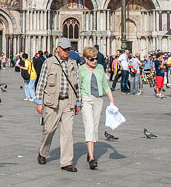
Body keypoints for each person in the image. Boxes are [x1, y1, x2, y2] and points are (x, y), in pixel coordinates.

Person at [35, 37, 82, 172]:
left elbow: (77, 84)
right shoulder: (49, 63)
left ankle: (66, 162)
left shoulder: (73, 63)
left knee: (68, 132)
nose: (67, 51)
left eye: (69, 49)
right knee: (49, 129)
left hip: (69, 102)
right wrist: (39, 101)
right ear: (58, 49)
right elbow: (41, 82)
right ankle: (43, 152)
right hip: (52, 102)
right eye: (65, 49)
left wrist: (78, 102)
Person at [77, 45, 114, 170]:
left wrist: (112, 100)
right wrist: (77, 102)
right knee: (90, 125)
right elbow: (78, 86)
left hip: (98, 99)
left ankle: (90, 150)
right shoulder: (81, 70)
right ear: (86, 59)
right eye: (92, 59)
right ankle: (92, 158)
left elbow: (105, 84)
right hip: (86, 100)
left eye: (96, 58)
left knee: (95, 127)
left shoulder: (100, 68)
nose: (95, 61)